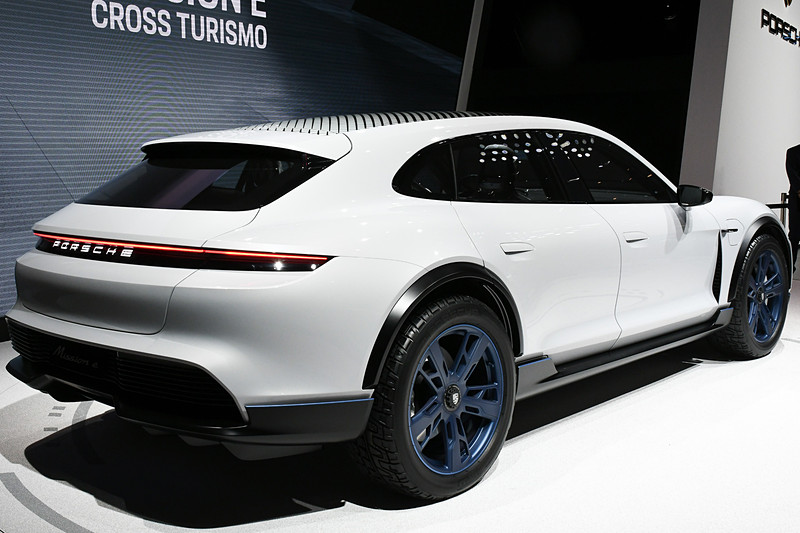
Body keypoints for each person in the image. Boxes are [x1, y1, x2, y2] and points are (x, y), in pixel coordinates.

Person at [786, 143, 800, 267]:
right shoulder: (792, 152)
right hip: (797, 200)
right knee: (794, 235)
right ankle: (790, 267)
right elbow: (792, 174)